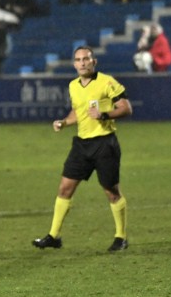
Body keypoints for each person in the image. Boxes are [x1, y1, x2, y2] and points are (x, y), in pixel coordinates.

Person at [33, 46, 133, 252]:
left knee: (111, 192)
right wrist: (64, 122)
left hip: (105, 143)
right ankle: (54, 236)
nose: (82, 63)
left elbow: (126, 108)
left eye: (86, 59)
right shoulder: (73, 86)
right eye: (78, 60)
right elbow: (78, 112)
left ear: (94, 61)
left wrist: (104, 115)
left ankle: (121, 237)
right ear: (74, 64)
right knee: (64, 188)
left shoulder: (107, 81)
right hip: (82, 145)